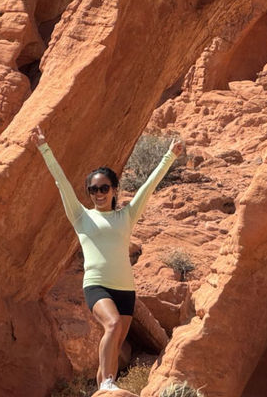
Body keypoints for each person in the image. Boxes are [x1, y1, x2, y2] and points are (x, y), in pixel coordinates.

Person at [31, 126, 183, 391]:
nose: (98, 194)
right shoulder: (81, 216)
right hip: (97, 284)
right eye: (93, 190)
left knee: (116, 341)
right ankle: (109, 383)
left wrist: (169, 155)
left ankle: (104, 386)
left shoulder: (126, 216)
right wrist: (44, 148)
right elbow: (61, 183)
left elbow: (148, 187)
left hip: (126, 288)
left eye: (104, 188)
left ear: (114, 190)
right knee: (111, 325)